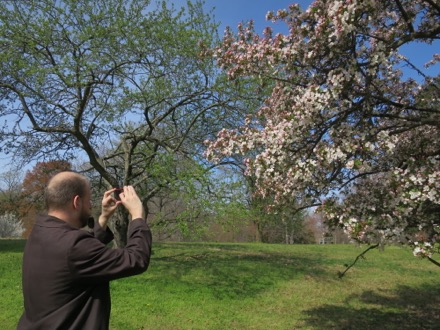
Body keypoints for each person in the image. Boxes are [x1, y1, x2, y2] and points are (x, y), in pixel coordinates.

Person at [17, 171, 152, 330]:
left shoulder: (41, 230)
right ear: (77, 202)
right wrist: (137, 216)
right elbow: (136, 259)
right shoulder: (74, 246)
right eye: (89, 200)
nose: (90, 206)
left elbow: (80, 256)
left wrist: (103, 218)